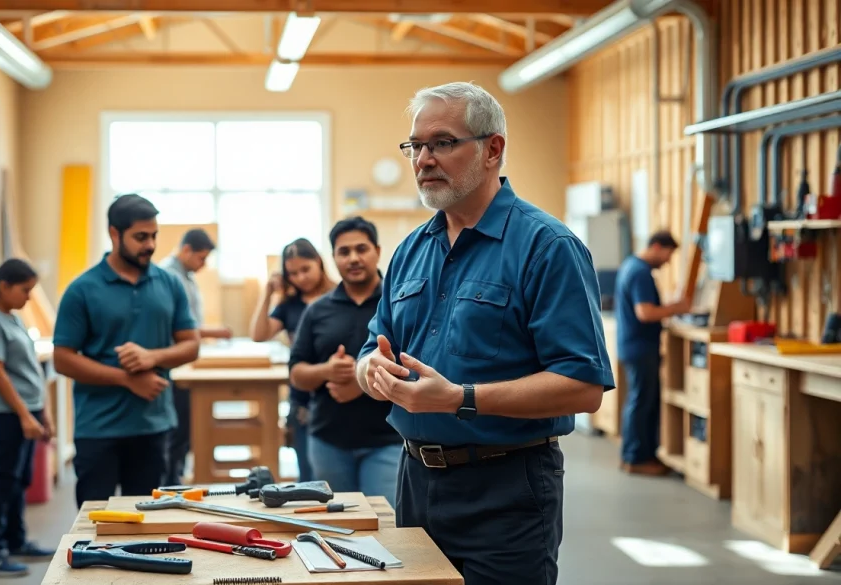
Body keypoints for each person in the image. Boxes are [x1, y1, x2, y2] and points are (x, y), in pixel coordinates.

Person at [354, 82, 615, 585]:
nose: (423, 159)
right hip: (416, 484)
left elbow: (583, 387)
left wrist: (459, 398)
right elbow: (373, 347)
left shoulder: (546, 247)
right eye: (415, 146)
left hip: (507, 490)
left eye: (442, 143)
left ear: (492, 148)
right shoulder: (410, 250)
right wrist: (371, 371)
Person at [53, 194, 200, 509]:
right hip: (98, 428)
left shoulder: (169, 284)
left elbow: (191, 344)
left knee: (148, 524)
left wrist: (153, 357)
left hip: (153, 426)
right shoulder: (82, 289)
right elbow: (63, 358)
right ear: (114, 234)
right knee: (94, 524)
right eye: (140, 237)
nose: (150, 245)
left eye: (154, 236)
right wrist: (126, 379)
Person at [288, 218, 403, 505]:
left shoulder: (401, 304)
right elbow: (296, 372)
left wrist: (361, 383)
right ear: (334, 257)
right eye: (344, 251)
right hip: (329, 442)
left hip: (388, 441)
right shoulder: (318, 311)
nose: (353, 258)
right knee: (338, 527)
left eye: (361, 249)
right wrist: (326, 370)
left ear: (377, 250)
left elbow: (419, 367)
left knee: (385, 527)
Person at [0, 258, 55, 577]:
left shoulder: (11, 318)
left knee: (19, 481)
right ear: (3, 287)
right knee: (3, 481)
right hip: (7, 414)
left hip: (26, 411)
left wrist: (42, 414)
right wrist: (24, 416)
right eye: (25, 290)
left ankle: (16, 541)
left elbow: (28, 371)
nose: (29, 297)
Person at [250, 238, 335, 483]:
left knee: (334, 474)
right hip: (302, 401)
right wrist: (268, 293)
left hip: (337, 395)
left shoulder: (340, 295)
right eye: (293, 273)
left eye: (305, 269)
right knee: (308, 475)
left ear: (319, 262)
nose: (301, 278)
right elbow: (259, 334)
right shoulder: (290, 305)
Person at [158, 228, 232, 486]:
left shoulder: (185, 275)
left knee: (185, 430)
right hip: (174, 367)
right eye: (201, 258)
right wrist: (215, 332)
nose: (203, 265)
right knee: (176, 432)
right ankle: (169, 484)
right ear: (186, 250)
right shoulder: (168, 276)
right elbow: (175, 326)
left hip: (186, 363)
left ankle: (176, 478)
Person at [614, 230, 690, 475]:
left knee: (639, 401)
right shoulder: (641, 272)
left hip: (632, 346)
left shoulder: (630, 265)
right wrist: (676, 308)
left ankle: (634, 456)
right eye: (668, 254)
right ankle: (637, 458)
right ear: (657, 246)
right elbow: (645, 313)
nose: (668, 261)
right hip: (640, 348)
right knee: (642, 403)